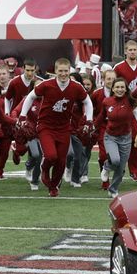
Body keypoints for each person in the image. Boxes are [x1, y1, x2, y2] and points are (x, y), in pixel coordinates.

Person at [19, 58, 93, 197]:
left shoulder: (76, 86)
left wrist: (89, 120)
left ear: (70, 70)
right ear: (55, 71)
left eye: (66, 71)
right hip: (46, 126)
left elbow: (87, 101)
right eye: (60, 71)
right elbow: (30, 97)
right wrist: (23, 116)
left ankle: (53, 187)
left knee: (61, 161)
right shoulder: (47, 85)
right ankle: (44, 168)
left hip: (64, 127)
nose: (63, 74)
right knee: (51, 155)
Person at [94, 77, 137, 198]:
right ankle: (106, 166)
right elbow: (101, 116)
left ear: (126, 89)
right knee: (115, 160)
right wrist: (93, 127)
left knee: (121, 168)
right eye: (117, 87)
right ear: (113, 89)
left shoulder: (130, 100)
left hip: (126, 138)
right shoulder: (107, 101)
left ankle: (113, 189)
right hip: (110, 137)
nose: (120, 89)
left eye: (122, 87)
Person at [114, 40, 137, 181]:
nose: (132, 52)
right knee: (120, 139)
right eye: (130, 50)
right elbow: (113, 86)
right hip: (122, 107)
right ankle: (118, 168)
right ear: (126, 51)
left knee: (136, 137)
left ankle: (134, 170)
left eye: (135, 49)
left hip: (136, 109)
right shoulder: (119, 68)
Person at [92, 69, 117, 190]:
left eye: (113, 79)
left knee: (117, 157)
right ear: (103, 80)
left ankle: (117, 175)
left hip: (118, 127)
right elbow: (89, 108)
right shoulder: (97, 94)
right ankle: (105, 179)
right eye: (108, 79)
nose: (111, 82)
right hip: (102, 127)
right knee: (103, 156)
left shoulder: (120, 92)